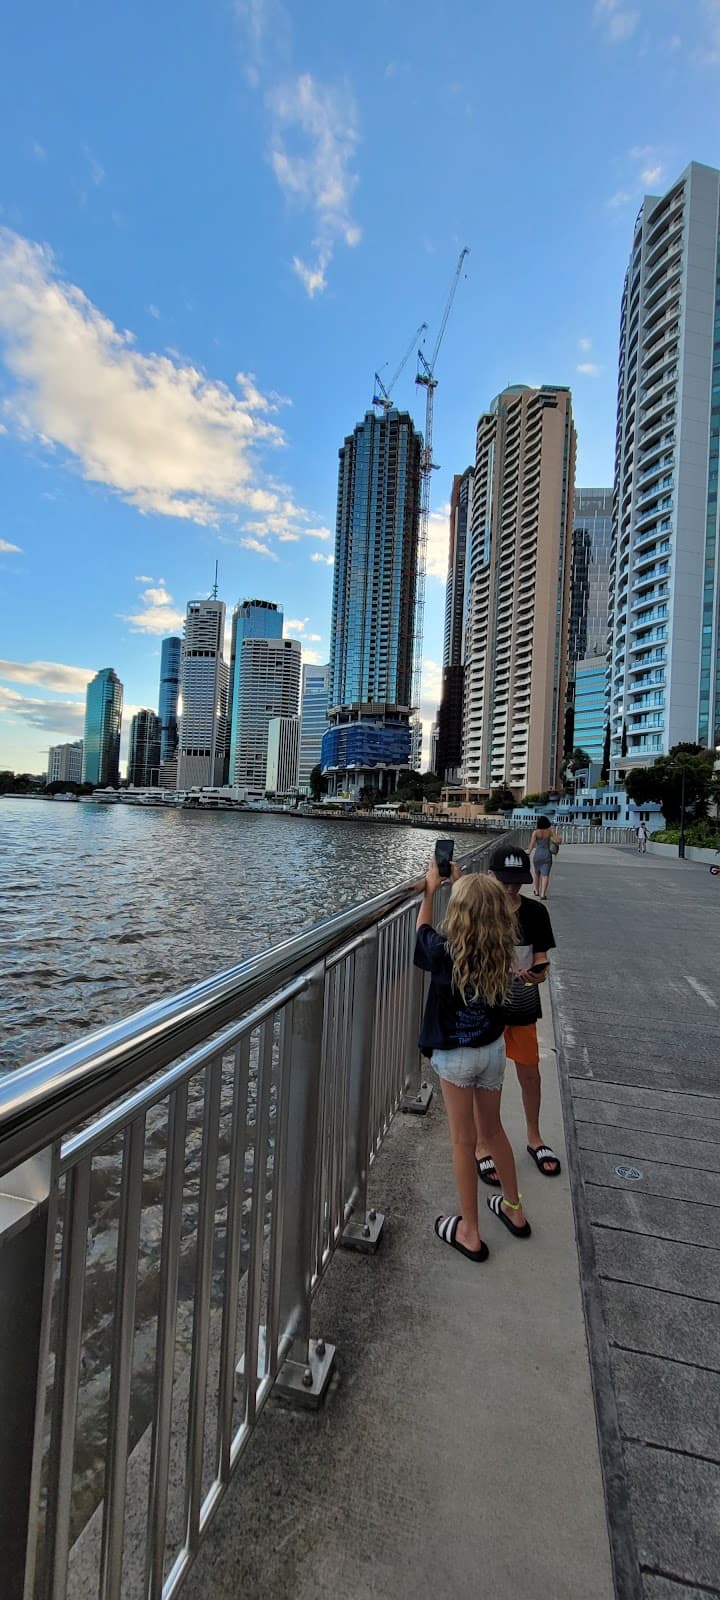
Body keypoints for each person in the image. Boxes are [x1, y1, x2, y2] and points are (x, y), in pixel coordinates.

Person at [414, 858, 531, 1264]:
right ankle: (514, 1209)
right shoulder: (502, 950)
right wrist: (465, 882)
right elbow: (482, 909)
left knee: (464, 1142)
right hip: (492, 1050)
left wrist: (432, 890)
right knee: (493, 1131)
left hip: (456, 1056)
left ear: (459, 913)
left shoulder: (445, 952)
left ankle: (470, 1230)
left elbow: (423, 933)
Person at [474, 844, 562, 1185]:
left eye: (517, 881)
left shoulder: (535, 912)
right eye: (505, 881)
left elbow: (541, 959)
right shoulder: (479, 912)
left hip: (522, 1001)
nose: (511, 888)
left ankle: (534, 1137)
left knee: (530, 1073)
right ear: (490, 877)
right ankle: (482, 1144)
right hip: (484, 1006)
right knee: (485, 1079)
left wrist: (538, 973)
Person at [529, 814, 561, 900]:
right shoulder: (550, 832)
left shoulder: (535, 832)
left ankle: (536, 891)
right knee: (545, 875)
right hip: (547, 854)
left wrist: (528, 852)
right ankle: (543, 894)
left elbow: (532, 844)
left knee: (537, 873)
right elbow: (558, 840)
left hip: (537, 855)